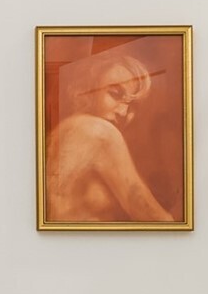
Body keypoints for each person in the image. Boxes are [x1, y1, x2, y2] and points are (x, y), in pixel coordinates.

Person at [45, 50, 175, 222]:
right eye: (115, 94)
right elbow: (154, 217)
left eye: (132, 105)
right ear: (88, 90)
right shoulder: (99, 132)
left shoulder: (65, 131)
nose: (123, 112)